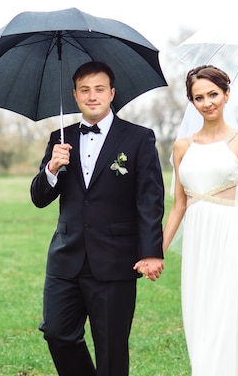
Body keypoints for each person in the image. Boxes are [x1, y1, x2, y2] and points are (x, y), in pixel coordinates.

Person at [30, 61, 165, 376]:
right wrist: (52, 168)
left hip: (115, 259)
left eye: (99, 89)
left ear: (112, 93)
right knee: (57, 333)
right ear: (75, 95)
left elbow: (149, 199)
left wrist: (150, 251)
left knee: (111, 349)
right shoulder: (59, 139)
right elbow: (39, 198)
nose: (92, 96)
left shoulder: (138, 138)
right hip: (66, 257)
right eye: (85, 90)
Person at [158, 65, 238, 375]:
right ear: (192, 102)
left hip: (228, 235)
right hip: (198, 238)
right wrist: (157, 250)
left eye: (213, 94)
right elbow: (178, 206)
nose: (207, 103)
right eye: (199, 97)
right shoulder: (183, 146)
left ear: (226, 94)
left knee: (226, 316)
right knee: (199, 316)